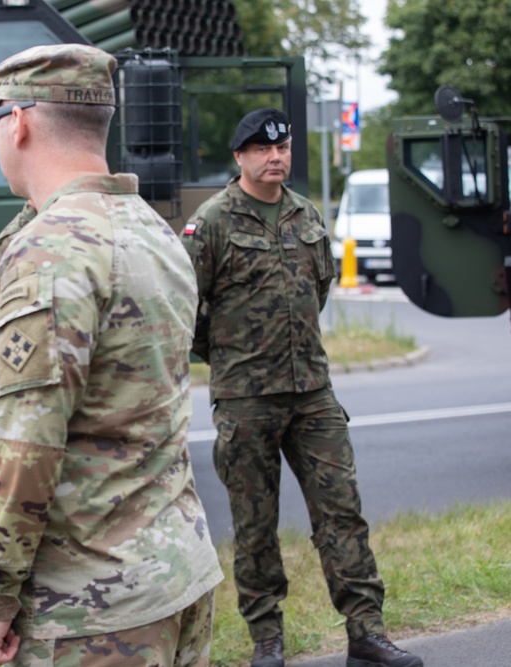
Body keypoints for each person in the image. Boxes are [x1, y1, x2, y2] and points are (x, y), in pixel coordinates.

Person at [0, 43, 224, 666]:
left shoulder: (47, 250)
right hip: (174, 574)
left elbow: (26, 445)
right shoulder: (152, 232)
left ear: (17, 122)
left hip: (90, 611)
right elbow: (104, 401)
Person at [180, 108, 423, 667]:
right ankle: (268, 638)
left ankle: (366, 631)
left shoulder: (305, 213)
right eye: (264, 150)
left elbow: (319, 288)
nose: (277, 157)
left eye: (284, 148)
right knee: (255, 523)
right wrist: (229, 357)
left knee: (343, 513)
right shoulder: (212, 221)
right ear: (240, 157)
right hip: (246, 397)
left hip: (313, 391)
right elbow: (186, 308)